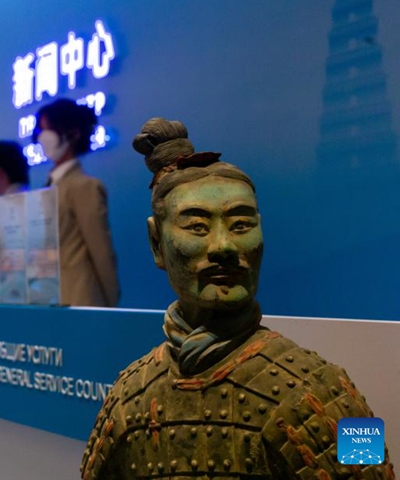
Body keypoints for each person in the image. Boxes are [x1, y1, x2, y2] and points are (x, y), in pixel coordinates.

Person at [80, 118, 394, 479]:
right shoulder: (127, 397)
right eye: (197, 227)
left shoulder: (329, 390)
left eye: (241, 225)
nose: (224, 246)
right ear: (157, 244)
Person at [34, 98, 120, 307]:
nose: (42, 137)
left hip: (80, 300)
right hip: (50, 301)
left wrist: (112, 302)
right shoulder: (50, 185)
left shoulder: (85, 186)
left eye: (49, 129)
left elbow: (100, 251)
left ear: (72, 134)